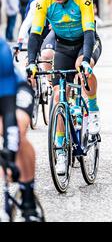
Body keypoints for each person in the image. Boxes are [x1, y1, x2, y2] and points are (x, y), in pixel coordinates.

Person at [26, 0, 102, 175]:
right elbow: (35, 35)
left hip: (85, 42)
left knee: (81, 68)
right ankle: (60, 150)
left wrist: (86, 60)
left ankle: (93, 109)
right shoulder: (44, 1)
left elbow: (89, 31)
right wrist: (31, 62)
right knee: (59, 93)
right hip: (63, 45)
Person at [0, 37, 43, 221]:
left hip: (13, 92)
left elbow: (8, 111)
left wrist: (9, 153)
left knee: (15, 128)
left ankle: (28, 199)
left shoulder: (1, 51)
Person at [17, 0, 55, 75]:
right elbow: (28, 22)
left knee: (31, 64)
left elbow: (26, 22)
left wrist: (19, 42)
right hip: (42, 34)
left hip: (39, 34)